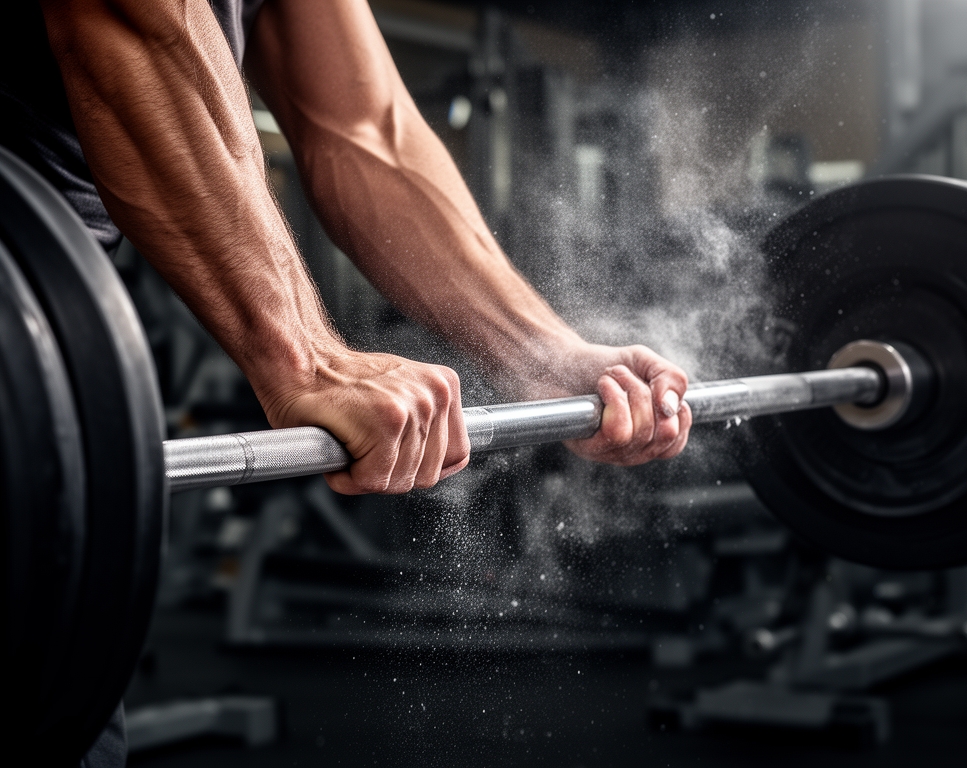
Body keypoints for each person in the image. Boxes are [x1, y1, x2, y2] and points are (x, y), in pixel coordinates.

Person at [5, 1, 691, 763]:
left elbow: (367, 131)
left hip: (40, 334)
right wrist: (302, 355)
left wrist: (539, 354)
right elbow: (133, 19)